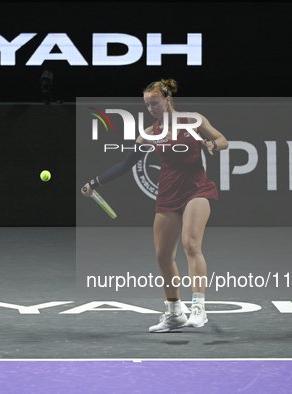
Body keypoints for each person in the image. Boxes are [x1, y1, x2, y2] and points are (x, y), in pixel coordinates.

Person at [81, 79, 228, 332]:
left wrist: (212, 144)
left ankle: (199, 309)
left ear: (167, 100)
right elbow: (125, 165)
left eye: (155, 103)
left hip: (197, 189)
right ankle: (174, 313)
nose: (151, 108)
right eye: (147, 105)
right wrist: (94, 182)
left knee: (191, 244)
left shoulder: (192, 120)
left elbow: (222, 139)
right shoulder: (149, 133)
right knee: (163, 257)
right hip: (167, 195)